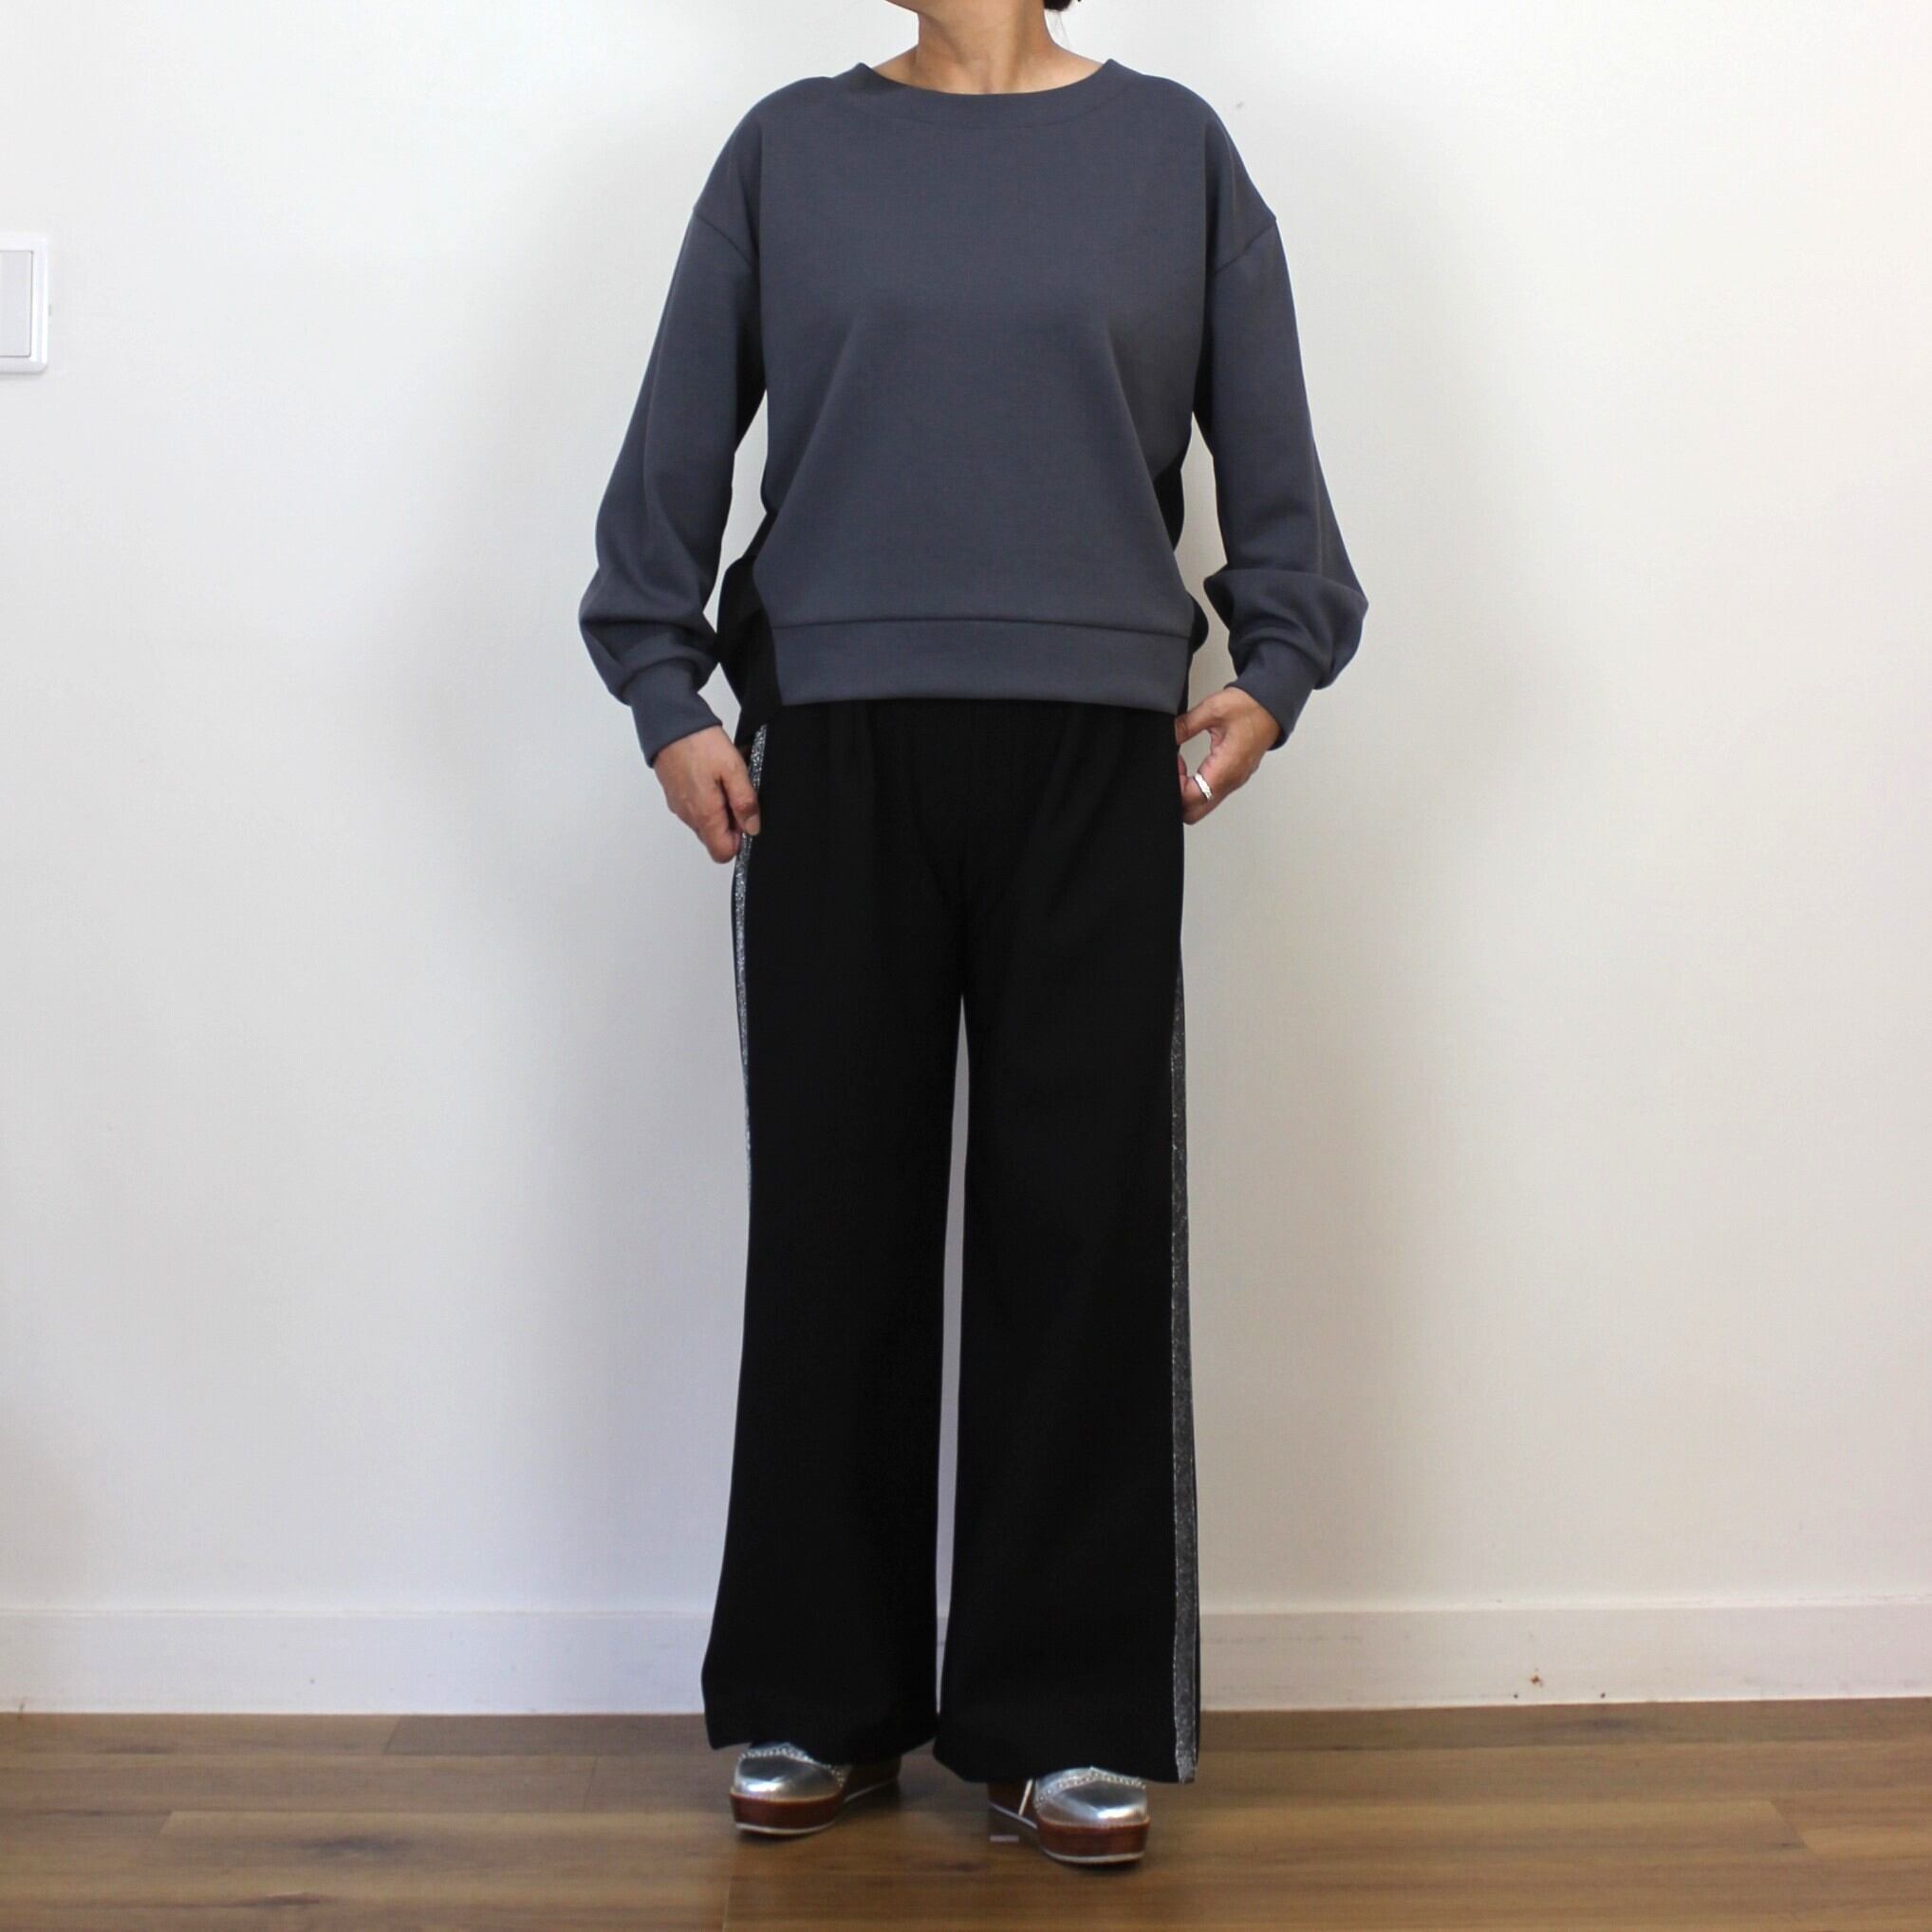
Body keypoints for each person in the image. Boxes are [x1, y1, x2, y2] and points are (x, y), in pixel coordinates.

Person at [577, 0, 1366, 1869]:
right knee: (833, 1218)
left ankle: (1058, 1713)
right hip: (836, 746)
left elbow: (1279, 483)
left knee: (1076, 1229)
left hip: (1094, 754)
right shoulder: (788, 153)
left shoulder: (1175, 155)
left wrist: (1273, 671)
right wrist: (668, 694)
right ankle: (819, 1695)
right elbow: (670, 465)